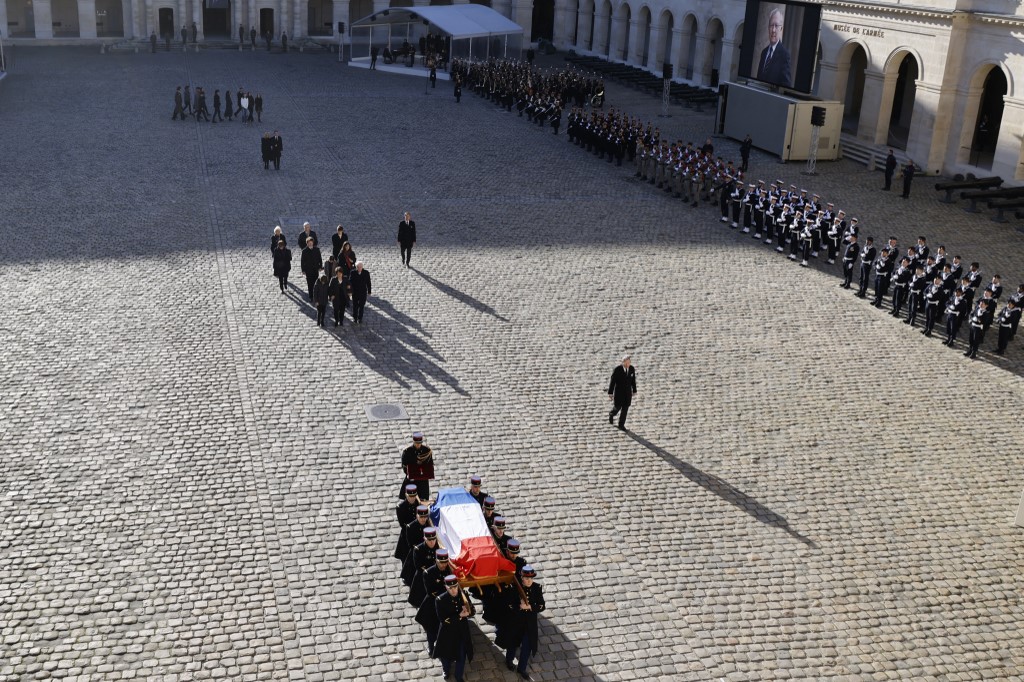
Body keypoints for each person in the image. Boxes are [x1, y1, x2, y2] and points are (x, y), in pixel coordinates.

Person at [498, 564, 545, 681]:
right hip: (516, 622)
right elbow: (509, 605)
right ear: (522, 578)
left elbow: (542, 605)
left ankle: (522, 668)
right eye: (527, 578)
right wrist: (519, 606)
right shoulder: (515, 588)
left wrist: (530, 607)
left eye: (531, 578)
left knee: (527, 647)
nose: (529, 581)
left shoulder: (537, 588)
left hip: (530, 624)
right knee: (513, 644)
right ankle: (509, 660)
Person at [433, 575, 474, 682]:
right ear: (446, 587)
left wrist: (469, 611)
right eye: (450, 588)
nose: (453, 590)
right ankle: (446, 670)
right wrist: (460, 615)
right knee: (446, 654)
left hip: (461, 630)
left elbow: (472, 611)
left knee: (462, 653)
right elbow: (444, 620)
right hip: (448, 631)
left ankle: (458, 676)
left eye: (455, 587)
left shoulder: (463, 595)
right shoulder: (440, 600)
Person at [756, 8, 791, 87]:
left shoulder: (784, 55)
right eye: (771, 25)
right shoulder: (764, 52)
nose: (773, 30)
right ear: (768, 28)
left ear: (781, 28)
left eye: (776, 25)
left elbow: (786, 85)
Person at [607, 354, 637, 431]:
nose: (628, 365)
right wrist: (610, 393)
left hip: (627, 394)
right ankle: (611, 414)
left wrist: (634, 390)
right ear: (623, 362)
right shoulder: (617, 370)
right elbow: (612, 382)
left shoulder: (631, 369)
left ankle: (621, 425)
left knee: (625, 410)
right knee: (617, 408)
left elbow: (633, 380)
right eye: (626, 363)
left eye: (629, 363)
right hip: (619, 394)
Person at [401, 432, 433, 499]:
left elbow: (430, 464)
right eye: (416, 443)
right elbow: (404, 466)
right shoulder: (407, 452)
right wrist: (411, 474)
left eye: (420, 443)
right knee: (410, 499)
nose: (418, 445)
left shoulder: (426, 451)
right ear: (413, 441)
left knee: (423, 500)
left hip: (423, 481)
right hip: (412, 480)